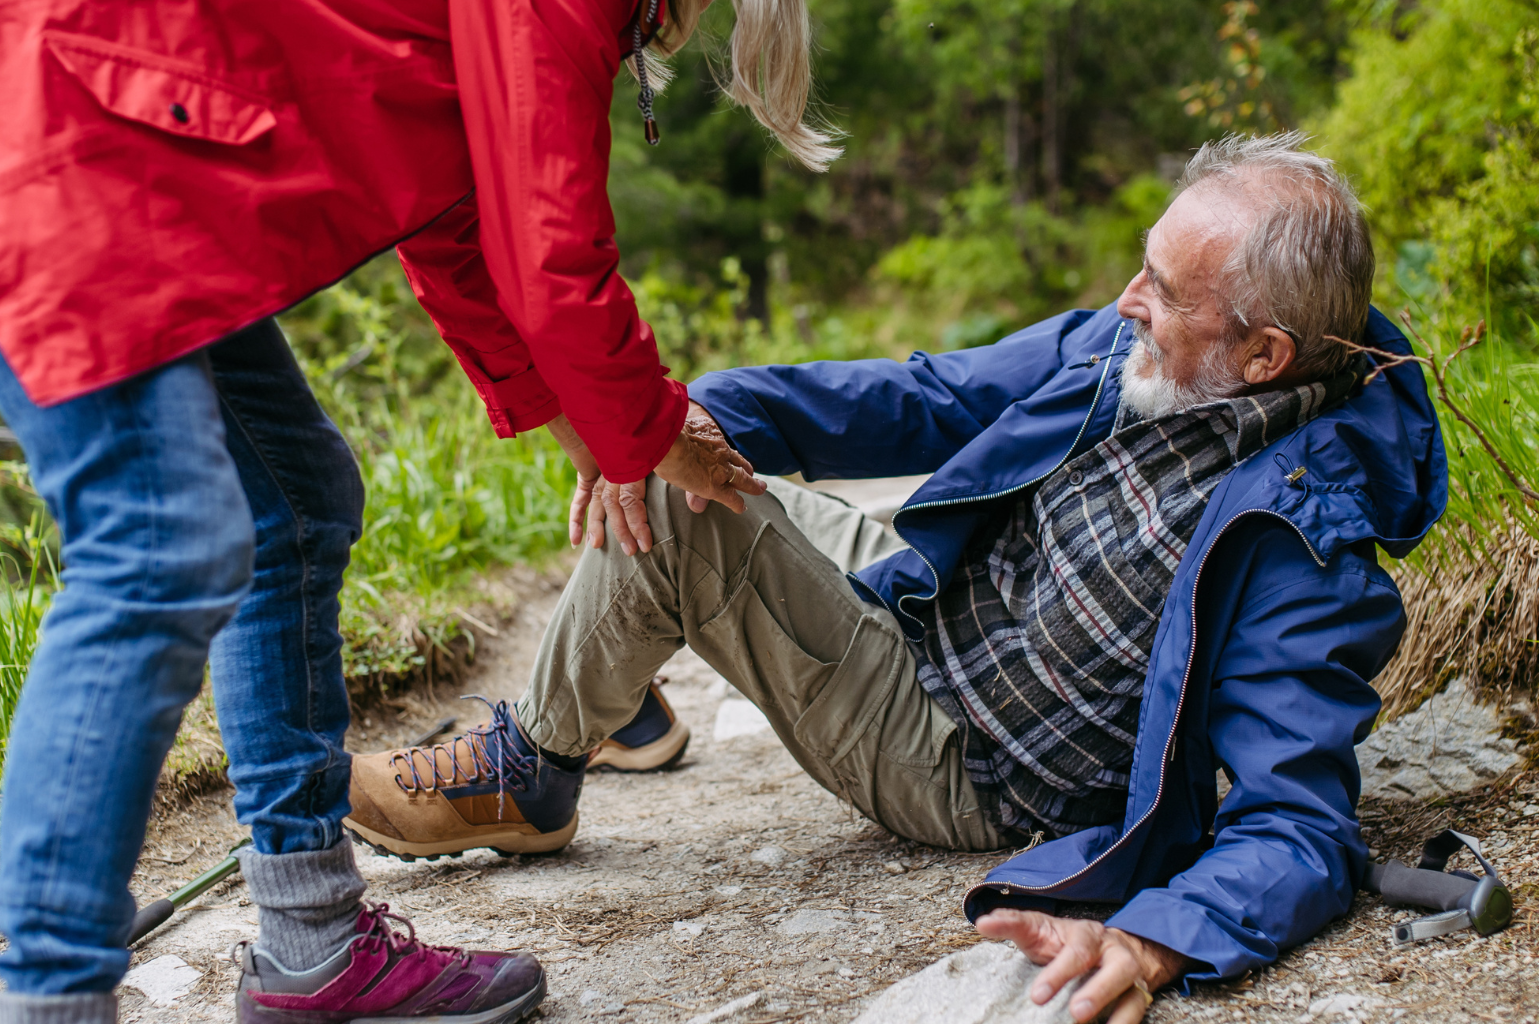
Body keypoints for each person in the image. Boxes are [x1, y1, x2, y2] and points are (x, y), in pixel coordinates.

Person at [0, 0, 846, 1019]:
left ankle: (310, 939)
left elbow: (461, 225)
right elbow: (554, 261)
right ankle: (52, 994)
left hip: (81, 81)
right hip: (30, 71)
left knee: (290, 498)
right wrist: (654, 432)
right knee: (157, 544)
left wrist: (607, 441)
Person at [344, 132, 1449, 1023]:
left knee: (688, 516)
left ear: (1263, 355)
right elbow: (926, 394)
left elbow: (1296, 827)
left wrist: (1156, 936)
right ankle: (613, 689)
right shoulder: (1141, 355)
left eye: (1162, 291)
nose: (1125, 301)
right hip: (924, 602)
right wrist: (704, 410)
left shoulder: (1305, 552)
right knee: (688, 457)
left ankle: (531, 768)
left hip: (956, 751)